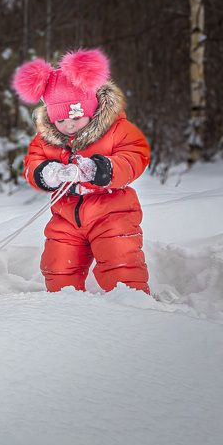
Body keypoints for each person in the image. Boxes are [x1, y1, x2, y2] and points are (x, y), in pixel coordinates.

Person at [12, 48, 151, 294]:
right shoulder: (47, 139)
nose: (69, 125)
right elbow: (32, 163)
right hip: (66, 216)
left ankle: (132, 304)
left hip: (112, 212)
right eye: (60, 120)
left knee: (120, 260)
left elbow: (135, 155)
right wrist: (46, 173)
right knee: (57, 264)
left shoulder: (116, 129)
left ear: (91, 107)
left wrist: (101, 169)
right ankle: (64, 308)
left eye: (75, 117)